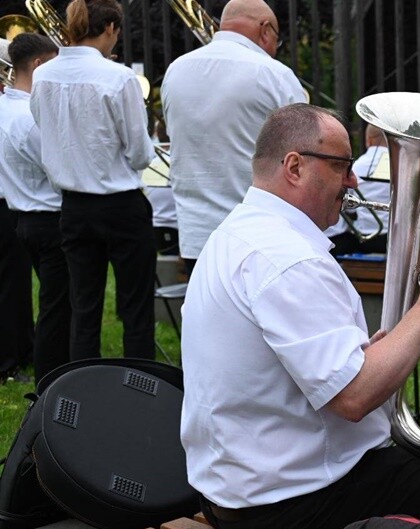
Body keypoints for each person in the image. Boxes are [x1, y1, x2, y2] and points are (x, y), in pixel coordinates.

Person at [180, 104, 420, 529]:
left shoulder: (239, 232)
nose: (354, 181)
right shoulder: (289, 258)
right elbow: (355, 398)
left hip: (231, 489)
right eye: (342, 166)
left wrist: (373, 351)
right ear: (295, 166)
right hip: (288, 503)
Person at [31, 0, 157, 361]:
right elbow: (138, 151)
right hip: (121, 204)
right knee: (136, 310)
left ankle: (81, 393)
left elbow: (46, 128)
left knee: (83, 309)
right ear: (111, 29)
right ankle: (141, 388)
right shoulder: (118, 77)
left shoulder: (44, 74)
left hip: (73, 206)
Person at [161, 0, 306, 274]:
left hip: (195, 233)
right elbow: (303, 153)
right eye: (277, 39)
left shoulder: (175, 70)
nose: (275, 48)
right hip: (258, 234)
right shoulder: (273, 73)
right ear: (265, 30)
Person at [0, 34, 69, 384]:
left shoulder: (6, 107)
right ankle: (51, 378)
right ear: (40, 66)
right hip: (46, 217)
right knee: (58, 309)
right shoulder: (27, 117)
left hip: (24, 215)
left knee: (55, 304)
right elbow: (59, 171)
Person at [329, 123, 390, 255]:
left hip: (366, 239)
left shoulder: (356, 167)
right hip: (394, 239)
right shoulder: (400, 167)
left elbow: (349, 206)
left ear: (369, 140)